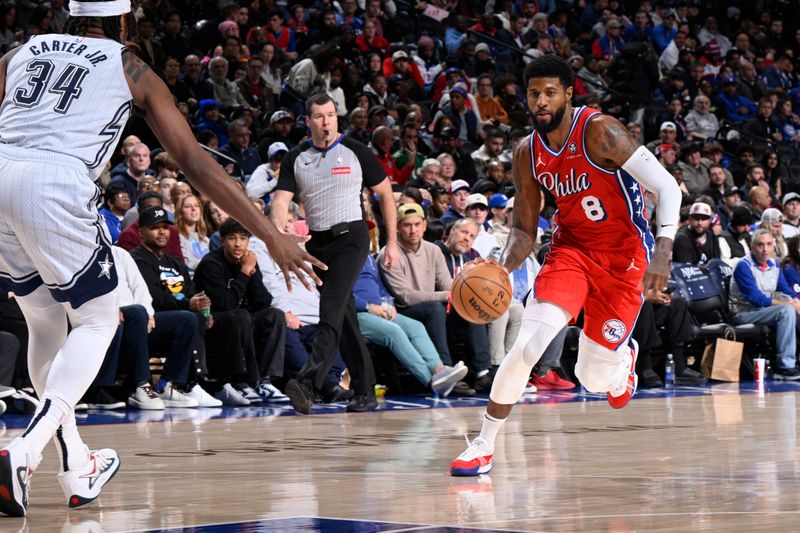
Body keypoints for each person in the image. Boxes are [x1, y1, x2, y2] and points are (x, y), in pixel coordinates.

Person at [0, 1, 323, 517]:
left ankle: (75, 461)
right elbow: (194, 161)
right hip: (55, 181)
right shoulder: (131, 67)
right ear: (124, 22)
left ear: (70, 16)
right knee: (99, 318)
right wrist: (271, 233)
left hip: (1, 173)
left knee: (45, 321)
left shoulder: (20, 52)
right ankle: (24, 449)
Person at [451, 55, 681, 476]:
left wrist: (663, 251)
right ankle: (483, 443)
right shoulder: (527, 153)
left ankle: (619, 364)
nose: (541, 101)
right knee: (527, 347)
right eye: (534, 93)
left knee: (591, 377)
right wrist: (502, 266)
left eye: (550, 92)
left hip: (624, 257)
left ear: (568, 95)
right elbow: (523, 228)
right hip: (571, 252)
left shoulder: (602, 131)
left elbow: (666, 186)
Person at [270, 93, 399, 414]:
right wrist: (280, 232)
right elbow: (281, 201)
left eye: (330, 115)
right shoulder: (296, 157)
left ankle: (308, 383)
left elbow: (384, 193)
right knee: (344, 316)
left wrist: (392, 241)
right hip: (317, 242)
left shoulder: (356, 150)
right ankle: (365, 391)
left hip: (352, 238)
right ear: (308, 121)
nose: (326, 121)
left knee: (330, 308)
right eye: (319, 116)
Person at [730, 229, 800, 380]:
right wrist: (791, 305)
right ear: (752, 247)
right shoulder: (744, 266)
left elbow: (786, 290)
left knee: (794, 309)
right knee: (786, 311)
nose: (765, 249)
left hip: (765, 311)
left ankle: (796, 359)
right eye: (760, 245)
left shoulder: (774, 265)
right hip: (744, 313)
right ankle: (785, 367)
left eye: (769, 244)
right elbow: (757, 299)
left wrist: (797, 302)